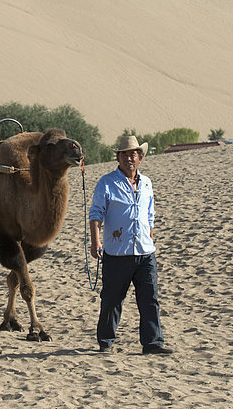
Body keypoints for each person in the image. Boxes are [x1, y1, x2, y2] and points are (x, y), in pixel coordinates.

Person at [89, 135, 173, 355]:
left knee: (150, 298)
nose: (129, 158)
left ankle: (153, 343)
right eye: (124, 154)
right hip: (117, 252)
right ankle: (106, 341)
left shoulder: (146, 183)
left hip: (145, 252)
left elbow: (150, 214)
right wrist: (95, 240)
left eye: (133, 154)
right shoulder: (107, 182)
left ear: (140, 157)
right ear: (117, 157)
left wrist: (150, 237)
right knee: (112, 299)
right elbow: (96, 213)